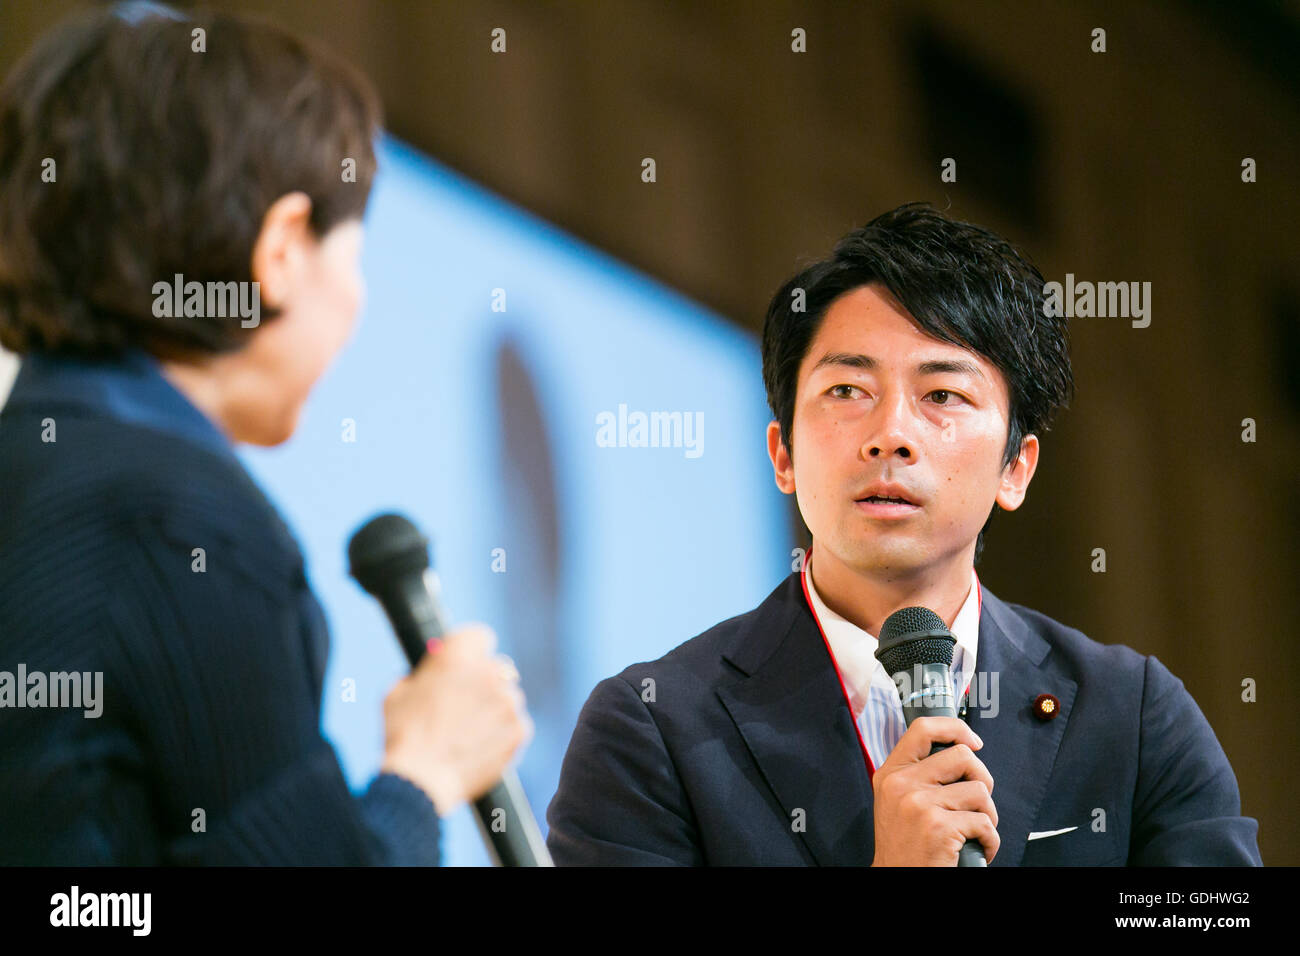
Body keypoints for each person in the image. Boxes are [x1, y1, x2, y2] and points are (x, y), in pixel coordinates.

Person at [546, 203, 1262, 866]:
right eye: (847, 391)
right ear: (783, 455)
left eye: (942, 395)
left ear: (1016, 467)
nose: (890, 435)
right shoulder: (653, 730)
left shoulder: (1129, 717)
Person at [0, 4, 531, 864]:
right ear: (282, 249)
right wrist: (426, 771)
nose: (360, 300)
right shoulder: (181, 513)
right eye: (357, 254)